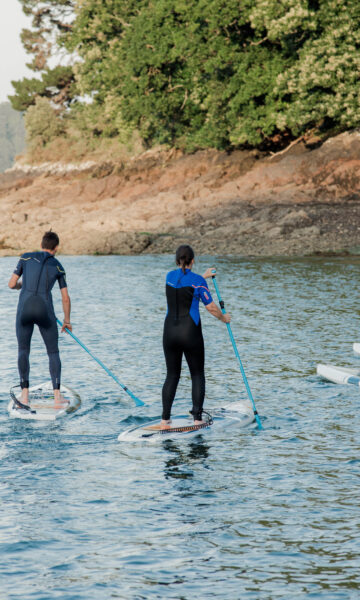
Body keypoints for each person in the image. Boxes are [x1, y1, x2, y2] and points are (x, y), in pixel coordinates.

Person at [161, 244, 231, 428]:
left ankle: (164, 420)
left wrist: (203, 277)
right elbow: (211, 307)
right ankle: (197, 418)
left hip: (169, 333)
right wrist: (224, 318)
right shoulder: (199, 282)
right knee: (197, 374)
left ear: (177, 261)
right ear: (193, 260)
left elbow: (184, 282)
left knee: (172, 375)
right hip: (190, 333)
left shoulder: (169, 277)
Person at [8, 231, 72, 407]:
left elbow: (12, 284)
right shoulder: (58, 266)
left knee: (23, 350)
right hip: (45, 311)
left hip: (24, 311)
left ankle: (25, 395)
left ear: (42, 244)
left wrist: (23, 285)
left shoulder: (26, 258)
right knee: (53, 352)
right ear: (56, 247)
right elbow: (65, 298)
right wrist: (67, 321)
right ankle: (58, 397)